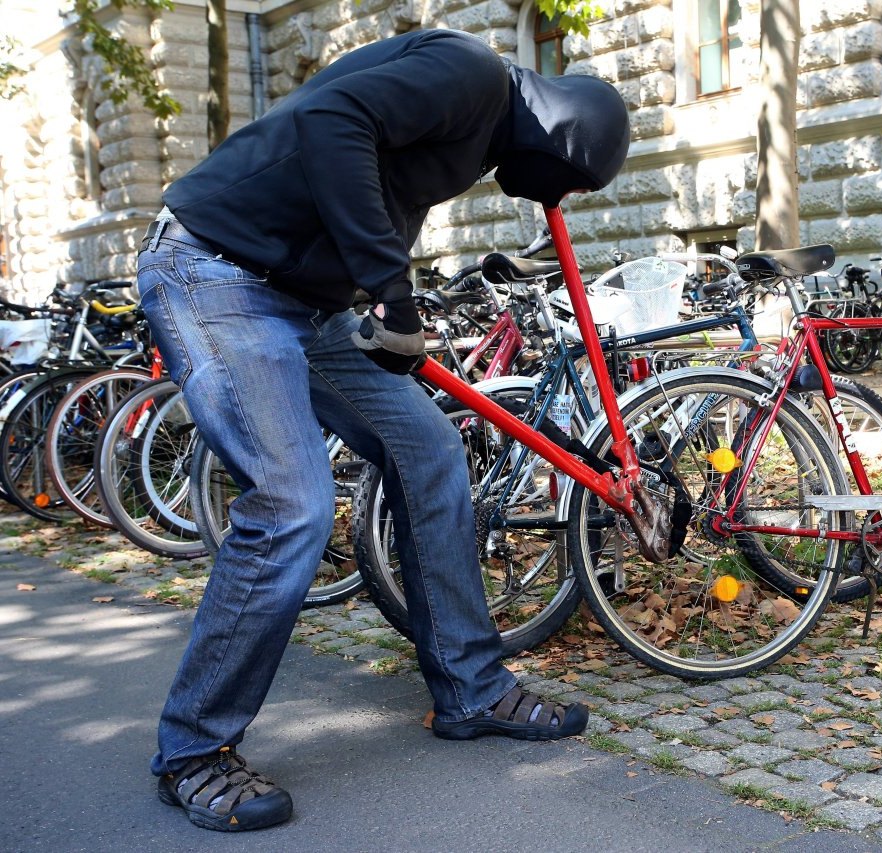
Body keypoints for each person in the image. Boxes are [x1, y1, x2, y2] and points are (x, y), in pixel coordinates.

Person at [135, 28, 630, 832]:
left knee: (431, 451)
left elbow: (363, 179)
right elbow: (331, 121)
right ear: (561, 138)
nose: (547, 196)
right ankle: (192, 750)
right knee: (292, 504)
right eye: (563, 182)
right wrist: (393, 299)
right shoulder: (471, 74)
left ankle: (472, 688)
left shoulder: (475, 132)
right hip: (217, 273)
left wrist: (377, 295)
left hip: (308, 303)